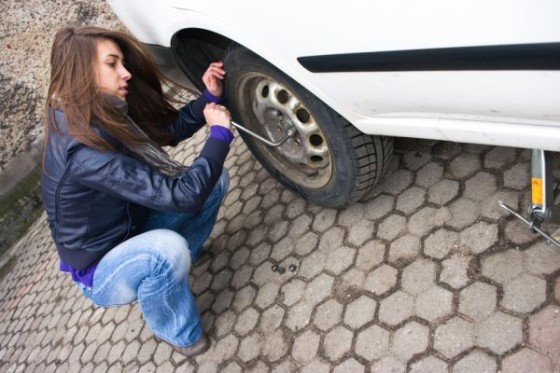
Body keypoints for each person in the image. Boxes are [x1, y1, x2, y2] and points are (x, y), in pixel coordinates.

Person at [41, 25, 234, 357]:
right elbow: (184, 196)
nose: (126, 73)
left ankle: (181, 262)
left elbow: (168, 130)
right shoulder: (82, 150)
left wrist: (208, 97)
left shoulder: (101, 112)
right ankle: (180, 331)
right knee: (165, 251)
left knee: (215, 180)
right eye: (113, 64)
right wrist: (218, 136)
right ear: (80, 72)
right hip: (101, 266)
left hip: (132, 225)